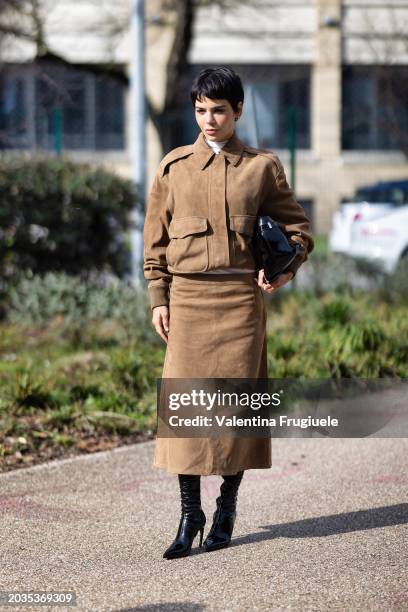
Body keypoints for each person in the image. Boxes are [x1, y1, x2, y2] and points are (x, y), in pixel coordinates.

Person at [143, 66, 314, 559]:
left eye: (219, 110)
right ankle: (189, 512)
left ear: (238, 110)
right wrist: (159, 297)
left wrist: (286, 267)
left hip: (241, 303)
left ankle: (228, 505)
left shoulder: (263, 167)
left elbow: (297, 229)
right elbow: (154, 242)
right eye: (200, 110)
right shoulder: (173, 168)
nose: (209, 120)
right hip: (189, 304)